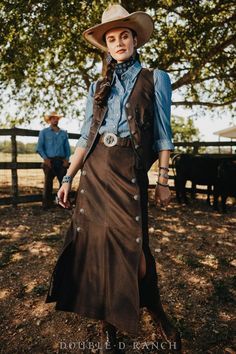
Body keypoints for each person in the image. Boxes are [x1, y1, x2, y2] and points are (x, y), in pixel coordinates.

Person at [46, 4, 181, 352]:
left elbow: (164, 135)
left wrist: (163, 179)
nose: (118, 42)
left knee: (137, 255)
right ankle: (109, 326)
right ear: (106, 45)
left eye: (124, 35)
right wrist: (66, 178)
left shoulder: (157, 78)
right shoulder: (97, 86)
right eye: (111, 38)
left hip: (130, 172)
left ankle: (154, 306)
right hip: (96, 172)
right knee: (99, 252)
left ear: (135, 39)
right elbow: (85, 138)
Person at [36, 111, 71, 209]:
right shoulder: (44, 132)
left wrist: (66, 159)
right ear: (49, 120)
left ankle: (62, 203)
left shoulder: (63, 133)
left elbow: (67, 148)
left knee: (63, 182)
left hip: (61, 161)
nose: (55, 120)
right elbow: (39, 147)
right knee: (48, 183)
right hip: (49, 161)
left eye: (57, 118)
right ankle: (47, 205)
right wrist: (45, 158)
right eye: (53, 118)